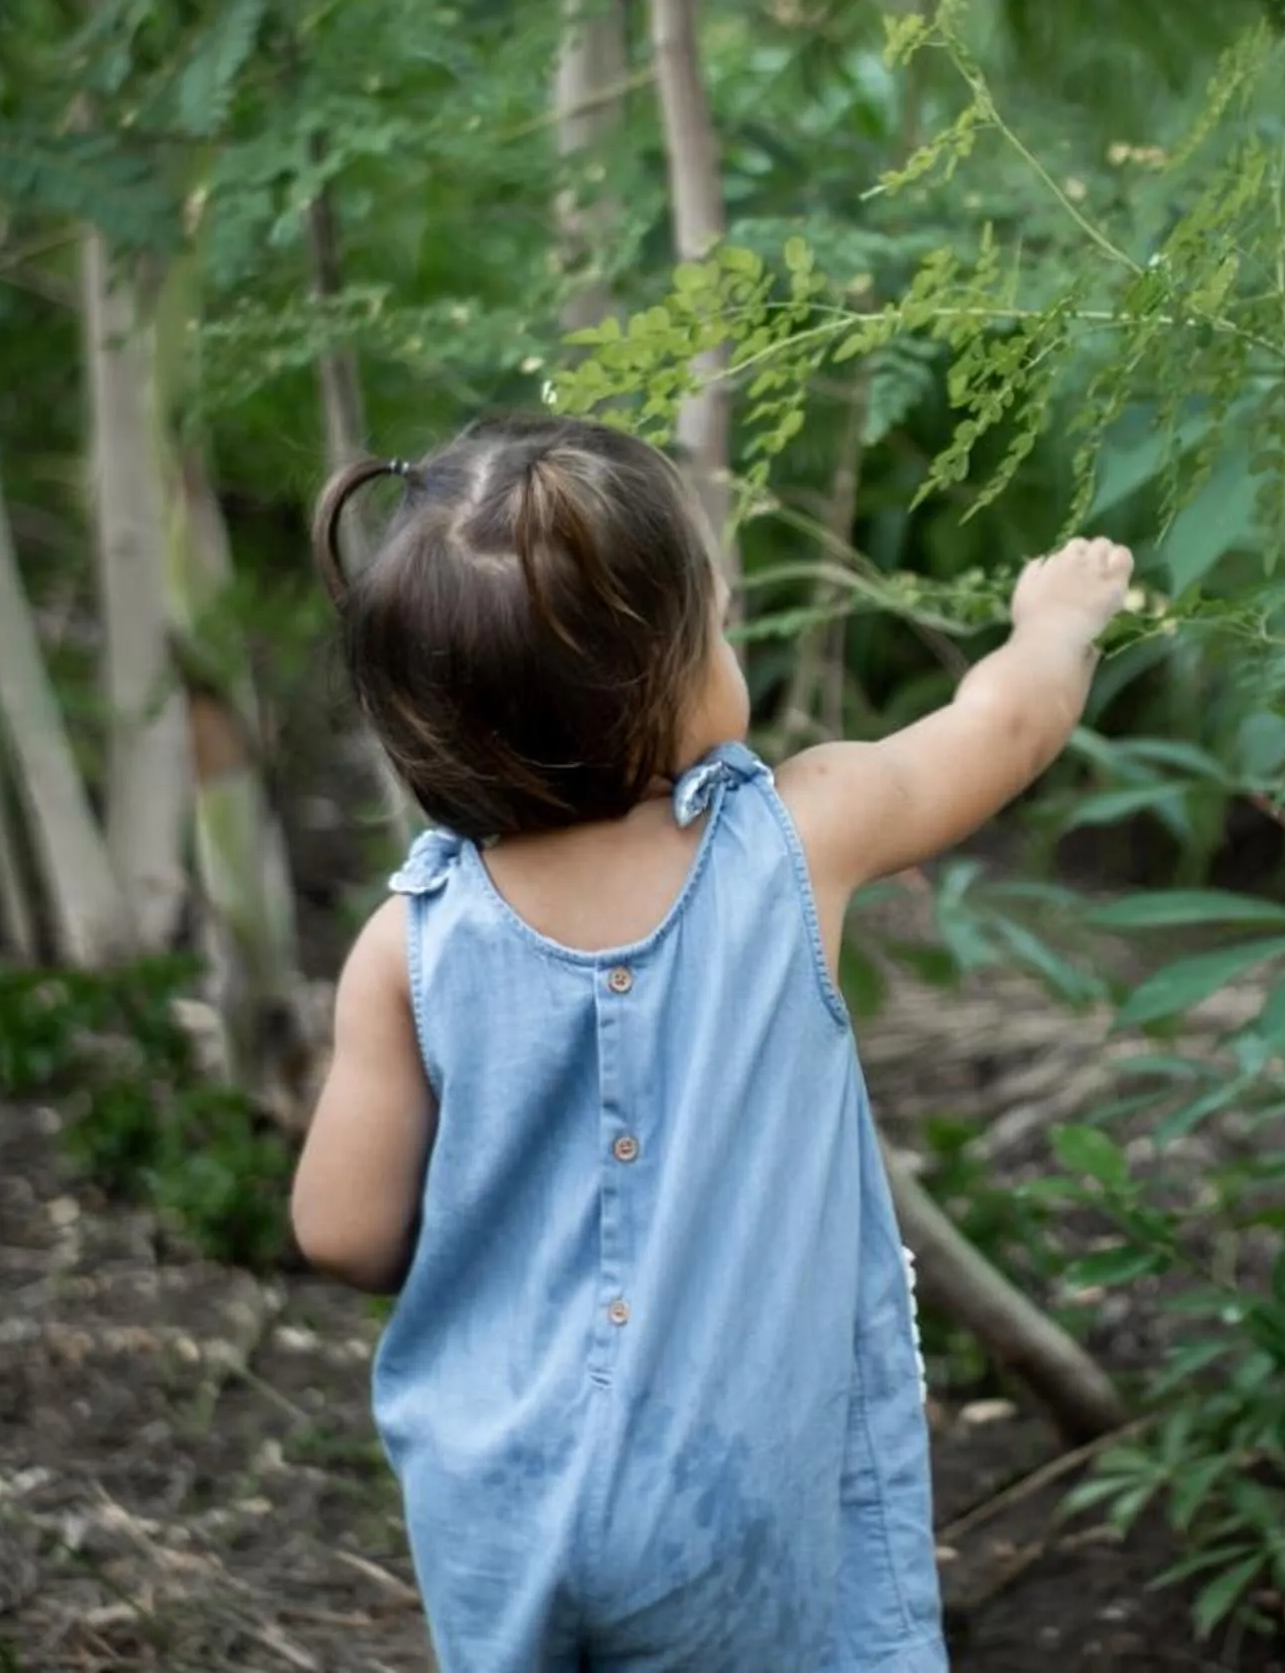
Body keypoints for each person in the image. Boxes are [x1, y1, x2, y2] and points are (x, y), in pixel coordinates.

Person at [287, 411, 1132, 1672]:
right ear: (661, 682)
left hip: (501, 1504)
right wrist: (1053, 627)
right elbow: (1003, 729)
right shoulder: (796, 839)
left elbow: (342, 1233)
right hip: (731, 1500)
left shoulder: (403, 946)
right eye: (716, 628)